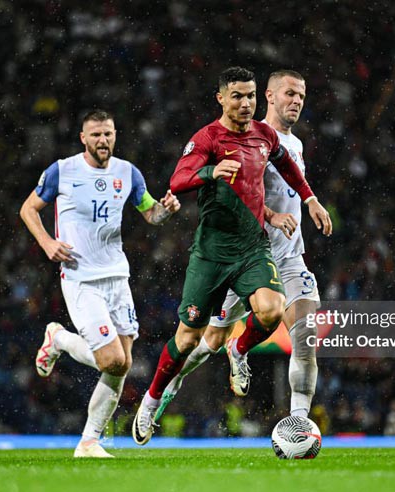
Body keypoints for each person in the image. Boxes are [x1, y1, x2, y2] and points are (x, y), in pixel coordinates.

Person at [132, 67, 331, 445]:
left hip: (278, 258)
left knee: (303, 337)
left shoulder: (286, 143)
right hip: (228, 252)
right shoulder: (225, 137)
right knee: (202, 342)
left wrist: (311, 199)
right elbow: (233, 189)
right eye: (289, 93)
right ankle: (164, 389)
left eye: (302, 96)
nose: (297, 102)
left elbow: (282, 181)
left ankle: (298, 426)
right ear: (269, 97)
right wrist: (217, 177)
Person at [19, 110, 180, 458]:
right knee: (113, 361)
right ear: (83, 138)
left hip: (117, 278)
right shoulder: (62, 171)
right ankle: (58, 338)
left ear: (115, 134)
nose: (102, 141)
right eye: (95, 135)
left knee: (122, 363)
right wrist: (47, 243)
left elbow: (150, 213)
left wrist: (165, 210)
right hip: (81, 279)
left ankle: (89, 442)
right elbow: (28, 209)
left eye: (107, 134)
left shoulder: (128, 173)